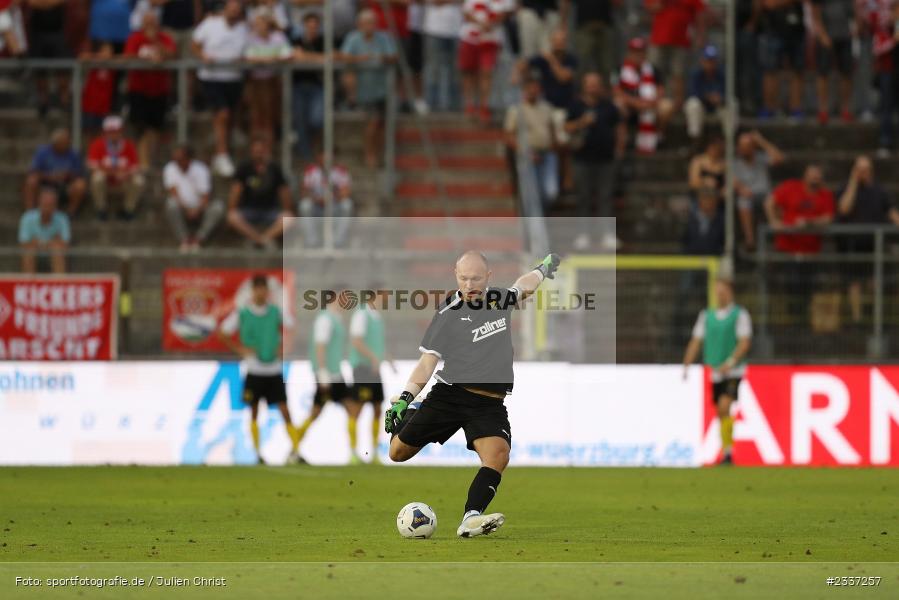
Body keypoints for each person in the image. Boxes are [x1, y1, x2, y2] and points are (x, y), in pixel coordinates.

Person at [385, 251, 560, 537]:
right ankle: (414, 410)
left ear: (488, 277)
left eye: (476, 278)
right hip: (451, 395)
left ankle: (471, 518)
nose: (469, 284)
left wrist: (543, 269)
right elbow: (428, 361)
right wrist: (405, 397)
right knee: (397, 453)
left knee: (498, 455)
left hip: (488, 403)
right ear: (456, 275)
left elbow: (523, 286)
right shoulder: (447, 313)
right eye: (464, 278)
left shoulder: (498, 300)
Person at [218, 274, 301, 465]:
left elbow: (292, 326)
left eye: (264, 289)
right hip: (254, 370)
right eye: (258, 289)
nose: (261, 292)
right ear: (253, 291)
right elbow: (222, 332)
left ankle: (296, 450)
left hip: (273, 369)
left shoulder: (275, 312)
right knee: (254, 411)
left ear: (267, 292)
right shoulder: (242, 313)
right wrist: (239, 349)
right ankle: (257, 454)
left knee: (284, 410)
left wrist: (285, 347)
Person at [682, 278, 752, 465]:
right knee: (721, 412)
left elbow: (744, 342)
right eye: (717, 291)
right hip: (715, 370)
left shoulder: (739, 315)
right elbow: (696, 340)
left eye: (722, 290)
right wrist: (687, 362)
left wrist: (731, 362)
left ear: (730, 291)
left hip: (733, 370)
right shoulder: (707, 316)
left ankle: (728, 452)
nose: (719, 294)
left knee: (724, 405)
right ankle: (727, 451)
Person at [294, 290, 362, 464]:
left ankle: (294, 450)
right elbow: (320, 346)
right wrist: (322, 372)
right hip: (328, 374)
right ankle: (294, 449)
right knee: (340, 409)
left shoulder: (335, 318)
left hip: (335, 373)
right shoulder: (325, 319)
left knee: (327, 411)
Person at [765, 164, 836, 322]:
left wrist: (808, 222)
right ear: (804, 176)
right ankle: (791, 321)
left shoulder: (825, 195)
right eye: (812, 175)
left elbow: (828, 218)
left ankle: (803, 322)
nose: (815, 178)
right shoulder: (791, 187)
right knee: (790, 287)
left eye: (818, 176)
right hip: (787, 250)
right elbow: (769, 202)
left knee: (807, 290)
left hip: (811, 252)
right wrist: (774, 221)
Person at [565, 72, 625, 250]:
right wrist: (582, 122)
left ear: (600, 86)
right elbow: (566, 127)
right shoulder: (575, 105)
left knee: (605, 197)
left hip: (606, 159)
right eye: (589, 83)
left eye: (596, 83)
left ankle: (607, 234)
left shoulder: (609, 106)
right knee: (583, 197)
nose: (593, 87)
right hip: (582, 159)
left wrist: (619, 149)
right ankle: (583, 234)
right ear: (584, 85)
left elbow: (619, 127)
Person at [836, 155, 899, 323]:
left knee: (875, 284)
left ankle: (874, 321)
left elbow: (891, 212)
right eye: (859, 169)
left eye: (866, 169)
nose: (863, 173)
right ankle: (857, 321)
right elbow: (844, 208)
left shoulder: (880, 191)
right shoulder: (846, 188)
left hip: (875, 245)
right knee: (854, 284)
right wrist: (853, 181)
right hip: (853, 245)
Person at [192, 0, 248, 177]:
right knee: (222, 113)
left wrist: (244, 59)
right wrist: (203, 56)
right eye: (231, 9)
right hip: (212, 77)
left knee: (229, 117)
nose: (233, 13)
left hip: (233, 78)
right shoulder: (210, 24)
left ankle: (222, 151)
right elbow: (194, 44)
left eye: (236, 10)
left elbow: (249, 50)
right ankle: (221, 154)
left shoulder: (244, 29)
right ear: (225, 9)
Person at [340, 8, 397, 168]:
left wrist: (381, 57)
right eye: (366, 23)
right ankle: (369, 154)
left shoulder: (384, 38)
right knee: (372, 122)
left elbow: (393, 56)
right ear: (359, 24)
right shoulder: (353, 38)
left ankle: (379, 153)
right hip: (364, 90)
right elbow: (343, 56)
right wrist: (362, 59)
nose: (369, 26)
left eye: (372, 23)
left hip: (382, 89)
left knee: (382, 125)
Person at [124, 10, 176, 170]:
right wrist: (146, 59)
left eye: (153, 21)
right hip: (139, 90)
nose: (150, 25)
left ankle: (149, 161)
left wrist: (156, 43)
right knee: (140, 127)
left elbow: (172, 54)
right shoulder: (135, 38)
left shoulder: (164, 38)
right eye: (147, 21)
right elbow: (128, 56)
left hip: (159, 90)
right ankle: (143, 162)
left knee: (156, 127)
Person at [349, 287, 396, 464]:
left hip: (374, 369)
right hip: (362, 368)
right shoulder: (361, 314)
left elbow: (377, 343)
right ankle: (353, 452)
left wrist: (388, 359)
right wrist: (373, 358)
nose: (386, 300)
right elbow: (356, 341)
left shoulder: (376, 317)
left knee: (377, 408)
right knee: (358, 408)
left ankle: (374, 452)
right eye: (384, 296)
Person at [226, 138, 293, 249]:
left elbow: (285, 194)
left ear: (266, 151)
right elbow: (235, 193)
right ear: (251, 152)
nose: (259, 155)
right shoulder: (244, 168)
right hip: (249, 210)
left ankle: (263, 239)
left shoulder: (274, 168)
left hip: (270, 211)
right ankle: (258, 239)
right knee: (232, 217)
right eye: (256, 152)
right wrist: (232, 207)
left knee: (289, 218)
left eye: (261, 152)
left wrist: (287, 209)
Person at [504, 77, 559, 210]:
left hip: (547, 154)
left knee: (551, 192)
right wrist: (525, 152)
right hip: (527, 155)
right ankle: (533, 226)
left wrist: (553, 146)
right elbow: (509, 136)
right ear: (524, 91)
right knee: (530, 193)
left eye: (535, 88)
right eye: (530, 89)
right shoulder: (516, 110)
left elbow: (552, 129)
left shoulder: (547, 107)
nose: (533, 91)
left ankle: (542, 218)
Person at [615, 37, 673, 155]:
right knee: (617, 105)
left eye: (641, 51)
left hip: (649, 105)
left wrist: (651, 103)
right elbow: (617, 91)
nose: (638, 55)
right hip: (630, 107)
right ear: (629, 53)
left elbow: (661, 90)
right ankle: (620, 143)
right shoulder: (621, 69)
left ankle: (659, 136)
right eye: (635, 51)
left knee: (667, 106)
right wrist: (636, 103)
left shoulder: (653, 70)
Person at [644, 0, 707, 108]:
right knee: (655, 72)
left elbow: (700, 14)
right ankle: (653, 101)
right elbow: (652, 7)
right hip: (659, 39)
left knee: (679, 73)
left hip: (681, 40)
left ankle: (678, 105)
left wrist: (700, 35)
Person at [459, 0, 513, 123]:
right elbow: (466, 11)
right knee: (469, 72)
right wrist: (481, 23)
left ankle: (484, 106)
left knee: (486, 72)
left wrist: (491, 23)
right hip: (469, 38)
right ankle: (470, 105)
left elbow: (506, 11)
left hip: (491, 39)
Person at [163, 145, 225, 252]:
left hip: (200, 207)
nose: (177, 162)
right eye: (176, 159)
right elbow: (174, 194)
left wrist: (197, 209)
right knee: (171, 204)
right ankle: (184, 240)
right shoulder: (170, 168)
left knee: (218, 207)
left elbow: (205, 196)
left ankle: (198, 239)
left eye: (180, 159)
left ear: (189, 158)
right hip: (182, 207)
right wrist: (187, 209)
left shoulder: (201, 169)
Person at [244, 8, 292, 146]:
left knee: (270, 116)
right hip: (255, 83)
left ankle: (269, 146)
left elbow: (287, 56)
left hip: (273, 82)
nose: (259, 26)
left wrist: (263, 60)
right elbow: (249, 58)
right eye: (257, 23)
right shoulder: (250, 38)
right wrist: (272, 59)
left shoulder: (278, 37)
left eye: (262, 22)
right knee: (256, 116)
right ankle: (256, 146)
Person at [734, 129, 785, 250]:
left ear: (753, 147)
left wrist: (761, 141)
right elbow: (733, 181)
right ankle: (750, 240)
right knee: (743, 201)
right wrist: (742, 189)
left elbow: (779, 158)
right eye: (742, 145)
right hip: (748, 196)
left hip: (765, 195)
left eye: (747, 145)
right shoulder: (735, 163)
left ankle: (779, 236)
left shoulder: (761, 158)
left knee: (773, 200)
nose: (744, 148)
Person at [86, 115, 144, 220]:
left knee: (139, 180)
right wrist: (112, 173)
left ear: (121, 131)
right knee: (97, 177)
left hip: (123, 182)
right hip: (105, 182)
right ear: (105, 132)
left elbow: (136, 167)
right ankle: (101, 209)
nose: (113, 134)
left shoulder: (129, 145)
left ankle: (128, 209)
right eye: (110, 131)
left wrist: (126, 174)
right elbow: (92, 166)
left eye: (116, 131)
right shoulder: (97, 144)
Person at [756, 0, 805, 118]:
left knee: (797, 71)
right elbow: (768, 4)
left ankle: (795, 109)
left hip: (796, 30)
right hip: (774, 30)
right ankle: (769, 108)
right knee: (770, 71)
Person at [24, 128, 87, 216]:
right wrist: (50, 176)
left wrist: (67, 175)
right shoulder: (43, 152)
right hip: (45, 183)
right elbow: (33, 171)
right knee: (31, 180)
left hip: (65, 185)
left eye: (67, 142)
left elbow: (79, 174)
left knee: (80, 185)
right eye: (63, 142)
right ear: (55, 143)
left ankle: (71, 213)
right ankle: (30, 212)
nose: (67, 144)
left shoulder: (73, 154)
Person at [811, 0, 855, 123]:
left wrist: (856, 27)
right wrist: (822, 35)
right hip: (826, 37)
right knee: (823, 73)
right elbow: (815, 15)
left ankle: (846, 108)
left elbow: (853, 11)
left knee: (847, 73)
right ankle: (823, 109)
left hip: (845, 36)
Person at [299, 151, 354, 247]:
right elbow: (304, 191)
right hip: (317, 207)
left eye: (329, 156)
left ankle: (338, 241)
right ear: (318, 157)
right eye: (323, 156)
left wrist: (332, 198)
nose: (326, 159)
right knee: (305, 205)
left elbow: (347, 191)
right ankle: (311, 241)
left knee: (347, 204)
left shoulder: (340, 170)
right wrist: (316, 199)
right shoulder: (311, 170)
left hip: (334, 206)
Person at [27, 0, 71, 118]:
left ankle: (64, 101)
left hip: (57, 31)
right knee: (40, 71)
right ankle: (43, 102)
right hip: (38, 33)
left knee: (63, 69)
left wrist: (44, 4)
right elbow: (30, 3)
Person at [291, 12, 325, 160]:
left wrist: (305, 57)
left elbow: (328, 58)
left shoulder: (324, 41)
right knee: (300, 120)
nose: (312, 29)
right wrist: (317, 58)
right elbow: (294, 57)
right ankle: (306, 156)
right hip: (297, 86)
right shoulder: (296, 40)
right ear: (304, 26)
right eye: (309, 26)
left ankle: (312, 146)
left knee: (316, 119)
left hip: (316, 86)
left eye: (315, 26)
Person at [19, 187, 70, 274]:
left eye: (50, 204)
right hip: (34, 252)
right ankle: (28, 284)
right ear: (39, 204)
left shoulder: (62, 218)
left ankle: (59, 283)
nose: (47, 208)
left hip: (54, 253)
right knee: (29, 252)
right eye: (45, 204)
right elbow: (23, 244)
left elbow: (65, 245)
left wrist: (38, 242)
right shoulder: (27, 217)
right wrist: (52, 242)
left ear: (55, 206)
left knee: (57, 251)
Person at [423, 0, 463, 111]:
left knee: (455, 69)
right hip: (434, 30)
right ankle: (431, 104)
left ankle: (454, 105)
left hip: (456, 30)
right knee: (433, 67)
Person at [684, 45, 724, 143]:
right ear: (702, 61)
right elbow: (691, 93)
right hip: (702, 107)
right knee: (693, 104)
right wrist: (707, 97)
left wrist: (720, 98)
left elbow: (728, 92)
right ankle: (695, 142)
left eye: (712, 60)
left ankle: (728, 143)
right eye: (708, 60)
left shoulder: (722, 74)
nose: (710, 64)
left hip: (718, 107)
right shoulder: (696, 74)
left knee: (732, 103)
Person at [80, 42, 116, 143]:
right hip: (90, 105)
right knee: (88, 132)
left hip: (104, 107)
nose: (107, 54)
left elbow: (125, 59)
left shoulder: (113, 65)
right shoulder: (94, 62)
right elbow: (82, 57)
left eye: (109, 52)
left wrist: (110, 58)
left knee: (101, 134)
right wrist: (99, 56)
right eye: (104, 51)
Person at [570, 0, 614, 79]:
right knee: (581, 63)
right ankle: (579, 89)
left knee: (607, 64)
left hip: (604, 25)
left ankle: (607, 89)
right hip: (584, 25)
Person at [688, 134, 725, 202]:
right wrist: (704, 181)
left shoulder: (724, 164)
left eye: (719, 148)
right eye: (715, 147)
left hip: (717, 199)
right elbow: (692, 183)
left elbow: (727, 183)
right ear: (709, 147)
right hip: (700, 198)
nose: (717, 151)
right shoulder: (698, 161)